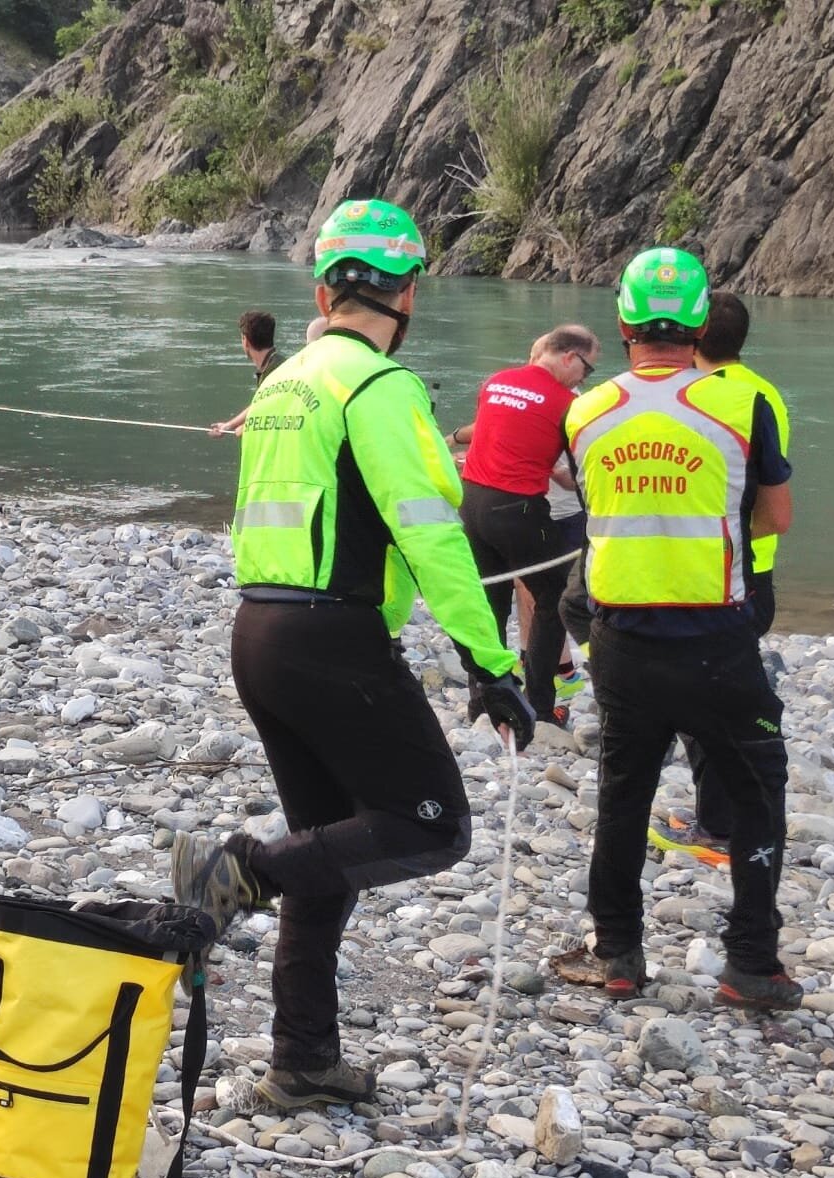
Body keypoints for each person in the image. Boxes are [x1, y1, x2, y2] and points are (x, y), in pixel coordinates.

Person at [171, 198, 535, 1109]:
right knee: (431, 825)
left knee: (325, 854)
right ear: (407, 293)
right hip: (330, 638)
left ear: (322, 291)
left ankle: (302, 1058)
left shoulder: (284, 381)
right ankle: (231, 874)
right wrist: (491, 663)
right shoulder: (378, 386)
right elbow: (431, 534)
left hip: (259, 632)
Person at [565, 248, 798, 1010]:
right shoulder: (740, 406)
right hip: (715, 638)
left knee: (624, 792)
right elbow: (776, 516)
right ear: (700, 325)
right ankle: (752, 963)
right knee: (757, 789)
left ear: (623, 324)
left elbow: (593, 500)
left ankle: (618, 953)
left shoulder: (586, 411)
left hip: (620, 638)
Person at [651, 291, 792, 859]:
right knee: (716, 696)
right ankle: (720, 813)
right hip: (756, 570)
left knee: (706, 704)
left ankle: (718, 827)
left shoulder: (707, 397)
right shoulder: (762, 392)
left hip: (721, 576)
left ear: (696, 332)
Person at [451, 325, 599, 727]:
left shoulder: (496, 382)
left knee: (491, 601)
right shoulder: (568, 403)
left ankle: (484, 699)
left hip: (472, 501)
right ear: (568, 357)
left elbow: (508, 436)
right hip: (516, 509)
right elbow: (581, 467)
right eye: (586, 370)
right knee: (555, 600)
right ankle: (540, 705)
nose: (584, 380)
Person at [209, 311, 284, 437]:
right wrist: (229, 425)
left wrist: (247, 427)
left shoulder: (276, 370)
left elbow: (280, 406)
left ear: (246, 341)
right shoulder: (274, 364)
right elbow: (261, 404)